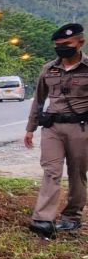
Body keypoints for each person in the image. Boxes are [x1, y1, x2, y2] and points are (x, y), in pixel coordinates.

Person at [24, 23, 88, 238]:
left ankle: (72, 217)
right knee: (51, 171)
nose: (61, 48)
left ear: (80, 42)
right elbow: (38, 100)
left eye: (66, 44)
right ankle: (43, 219)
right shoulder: (48, 68)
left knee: (77, 173)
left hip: (81, 128)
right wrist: (30, 128)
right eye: (58, 45)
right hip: (52, 128)